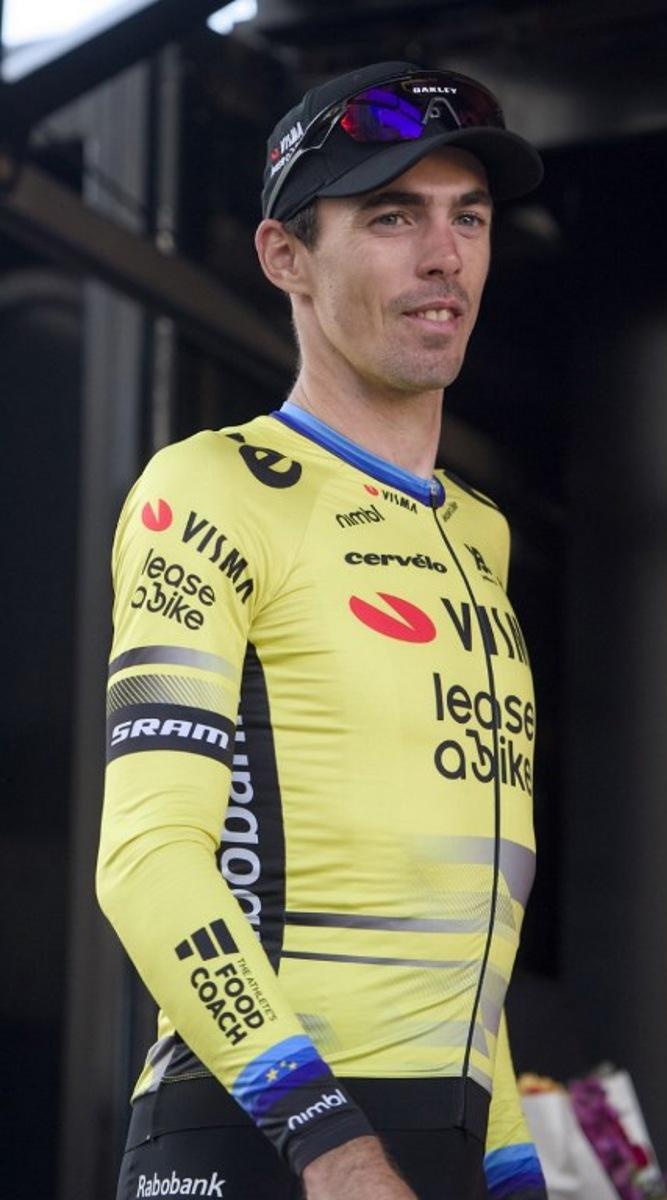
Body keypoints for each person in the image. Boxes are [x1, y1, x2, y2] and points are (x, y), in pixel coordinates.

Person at [97, 60, 548, 1200]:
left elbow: (464, 922)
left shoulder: (479, 538)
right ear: (284, 256)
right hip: (262, 1138)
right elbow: (148, 861)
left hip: (440, 1147)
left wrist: (507, 1166)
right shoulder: (208, 489)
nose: (442, 257)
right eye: (391, 216)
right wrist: (328, 1145)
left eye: (469, 217)